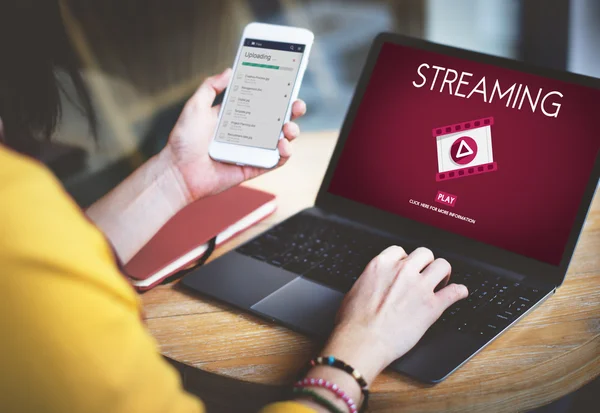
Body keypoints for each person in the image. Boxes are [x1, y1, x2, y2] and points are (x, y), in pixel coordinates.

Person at [0, 2, 468, 412]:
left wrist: (175, 176)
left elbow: (53, 253)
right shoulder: (17, 217)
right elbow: (33, 265)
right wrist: (361, 345)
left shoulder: (21, 209)